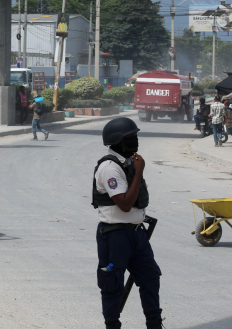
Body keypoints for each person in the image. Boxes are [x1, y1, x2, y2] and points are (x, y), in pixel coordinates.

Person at [92, 117, 162, 329]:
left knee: (150, 278)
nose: (135, 141)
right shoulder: (109, 168)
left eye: (135, 136)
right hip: (115, 236)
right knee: (112, 284)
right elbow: (124, 204)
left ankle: (154, 324)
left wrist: (137, 170)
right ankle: (112, 325)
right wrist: (139, 171)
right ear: (118, 141)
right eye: (131, 137)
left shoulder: (129, 163)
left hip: (135, 234)